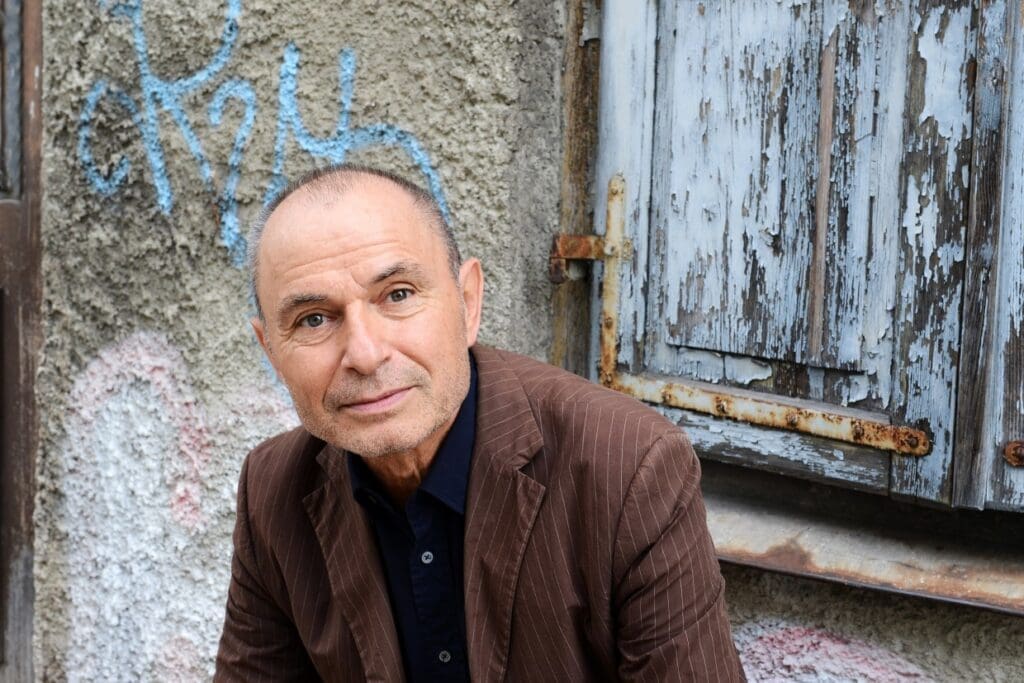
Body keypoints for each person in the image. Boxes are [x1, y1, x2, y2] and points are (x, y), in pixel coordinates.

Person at [215, 164, 745, 682]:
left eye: (397, 294)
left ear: (468, 302)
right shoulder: (273, 490)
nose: (366, 354)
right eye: (314, 319)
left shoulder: (630, 467)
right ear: (271, 351)